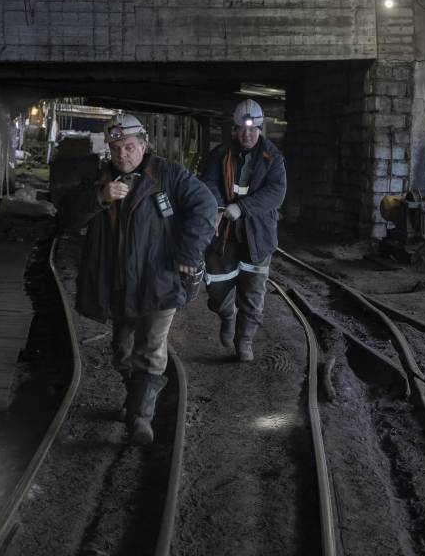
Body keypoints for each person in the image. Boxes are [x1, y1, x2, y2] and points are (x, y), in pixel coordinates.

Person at [59, 112, 216, 445]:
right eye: (116, 149)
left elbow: (204, 205)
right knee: (122, 350)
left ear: (143, 145)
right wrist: (100, 199)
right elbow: (67, 218)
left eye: (129, 147)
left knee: (150, 347)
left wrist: (189, 254)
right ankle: (136, 401)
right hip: (118, 285)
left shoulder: (168, 176)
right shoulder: (98, 179)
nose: (123, 156)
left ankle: (141, 420)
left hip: (158, 282)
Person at [202, 98, 286, 362]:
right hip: (224, 236)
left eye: (252, 129)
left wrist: (243, 207)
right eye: (241, 128)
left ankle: (245, 341)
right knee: (216, 290)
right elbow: (208, 182)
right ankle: (227, 313)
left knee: (253, 293)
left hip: (257, 237)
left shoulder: (273, 158)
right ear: (235, 129)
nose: (247, 134)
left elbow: (276, 192)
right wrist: (217, 207)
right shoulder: (220, 154)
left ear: (260, 128)